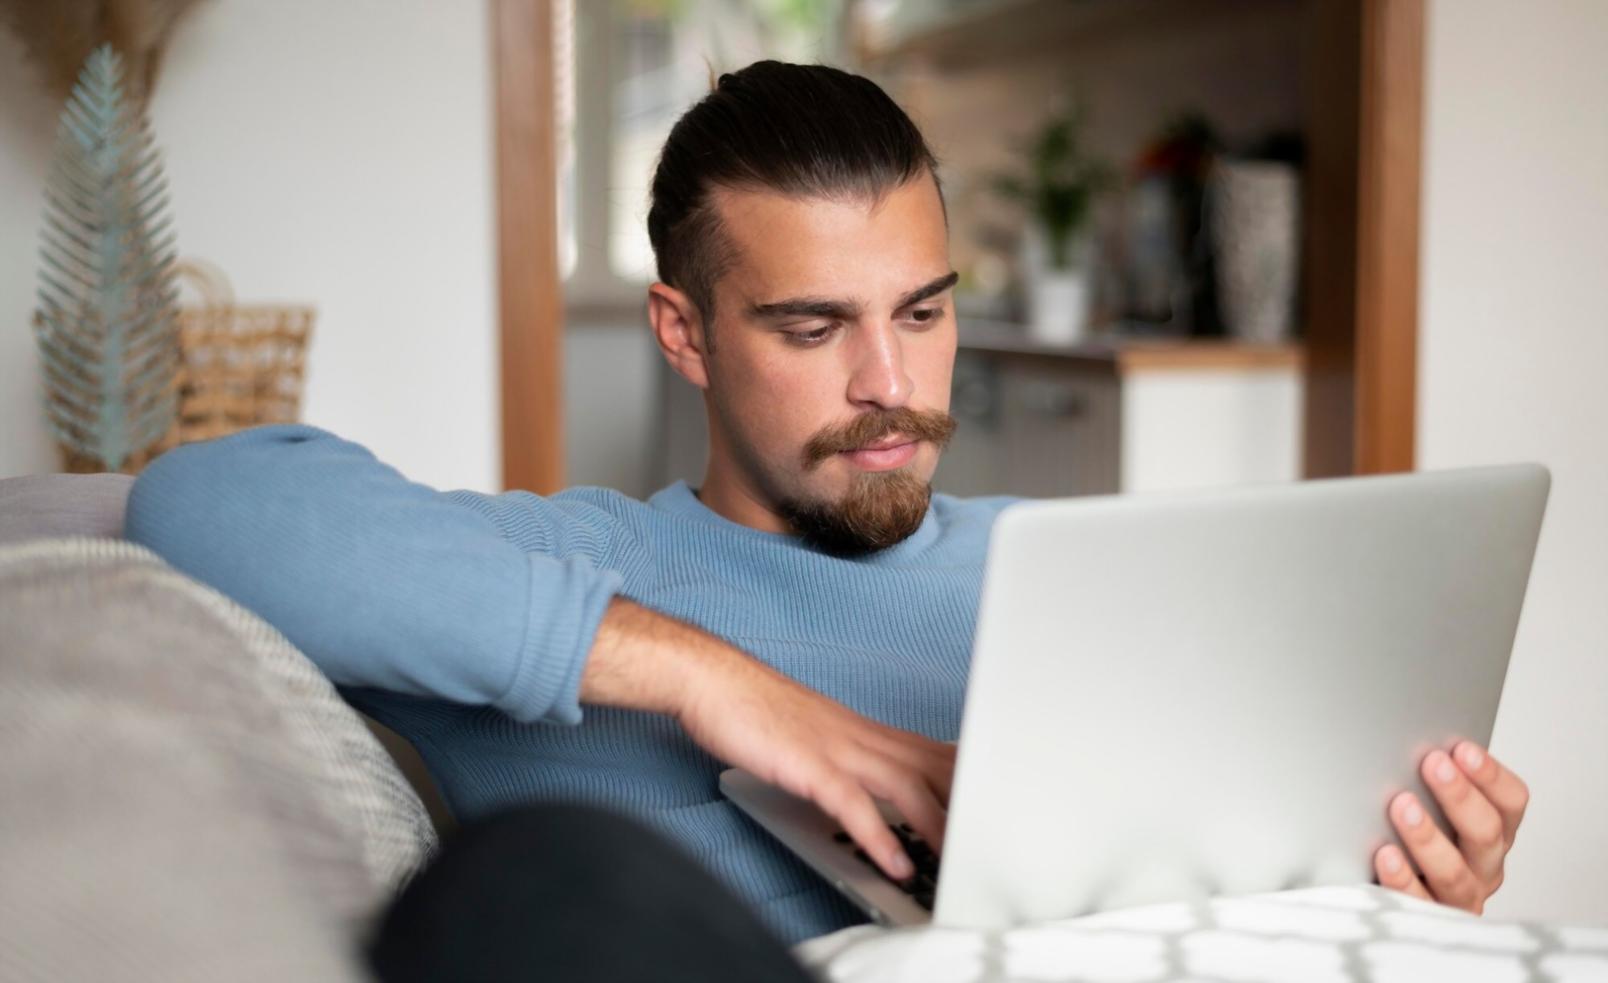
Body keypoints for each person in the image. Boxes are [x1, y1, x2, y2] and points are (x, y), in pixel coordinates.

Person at [125, 61, 1530, 947]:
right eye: (813, 327)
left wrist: (1406, 893)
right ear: (685, 334)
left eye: (922, 312)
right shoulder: (576, 571)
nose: (890, 385)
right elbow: (204, 499)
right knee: (525, 888)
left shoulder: (1078, 580)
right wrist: (709, 681)